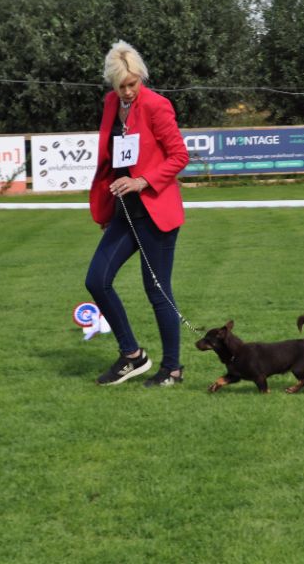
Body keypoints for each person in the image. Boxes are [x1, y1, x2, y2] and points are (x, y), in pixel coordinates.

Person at [85, 41, 190, 387]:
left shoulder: (157, 106)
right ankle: (132, 355)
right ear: (112, 84)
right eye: (122, 85)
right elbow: (112, 157)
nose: (128, 91)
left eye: (133, 83)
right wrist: (109, 198)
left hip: (155, 210)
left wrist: (142, 180)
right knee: (97, 280)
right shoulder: (111, 104)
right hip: (123, 213)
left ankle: (172, 369)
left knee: (156, 289)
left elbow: (178, 157)